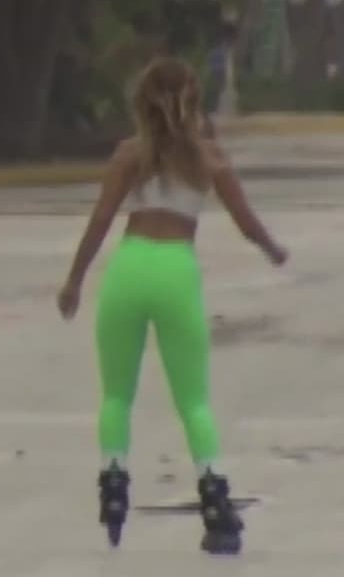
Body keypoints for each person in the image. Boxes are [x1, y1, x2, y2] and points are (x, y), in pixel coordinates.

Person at [56, 57, 287, 555]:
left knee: (117, 395)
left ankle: (114, 487)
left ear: (140, 105)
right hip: (176, 271)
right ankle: (216, 504)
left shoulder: (127, 157)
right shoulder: (208, 160)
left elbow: (100, 221)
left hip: (128, 268)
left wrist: (74, 280)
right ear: (194, 102)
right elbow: (246, 222)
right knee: (194, 401)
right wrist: (273, 249)